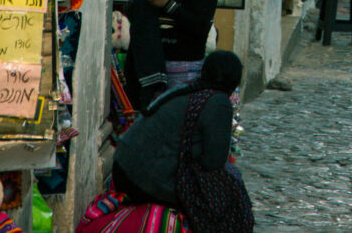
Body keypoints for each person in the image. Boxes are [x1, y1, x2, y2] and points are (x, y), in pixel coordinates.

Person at [107, 50, 253, 233]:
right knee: (230, 199)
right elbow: (213, 161)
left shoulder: (189, 90)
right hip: (142, 179)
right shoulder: (217, 101)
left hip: (125, 168)